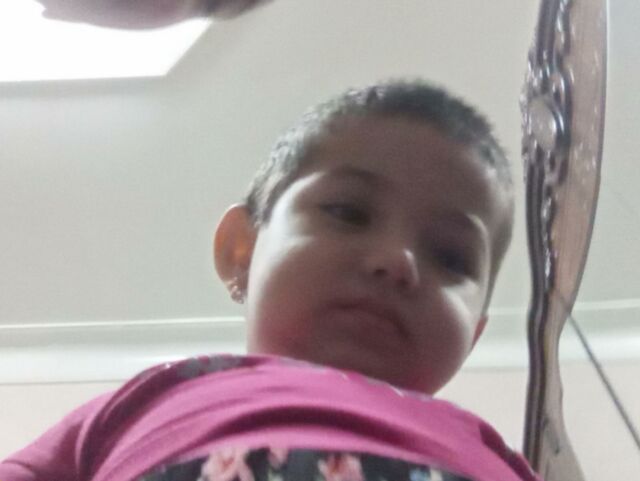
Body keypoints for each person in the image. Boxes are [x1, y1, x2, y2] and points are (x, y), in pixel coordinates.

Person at [1, 3, 540, 481]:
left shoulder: (492, 451)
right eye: (348, 213)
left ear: (474, 334)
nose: (397, 260)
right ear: (241, 250)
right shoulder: (145, 401)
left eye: (451, 257)